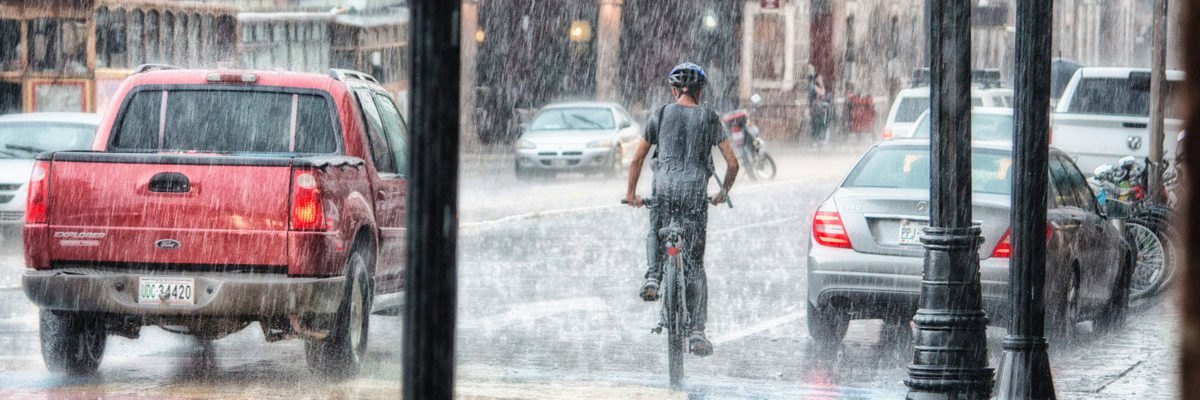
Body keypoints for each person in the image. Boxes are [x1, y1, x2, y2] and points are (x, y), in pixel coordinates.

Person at [624, 62, 739, 356]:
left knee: (655, 228)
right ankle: (697, 331)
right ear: (699, 91)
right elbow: (733, 163)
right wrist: (722, 192)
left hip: (663, 189)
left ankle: (652, 275)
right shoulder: (710, 118)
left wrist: (631, 194)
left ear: (674, 90)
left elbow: (637, 160)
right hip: (694, 195)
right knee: (695, 265)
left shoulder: (660, 114)